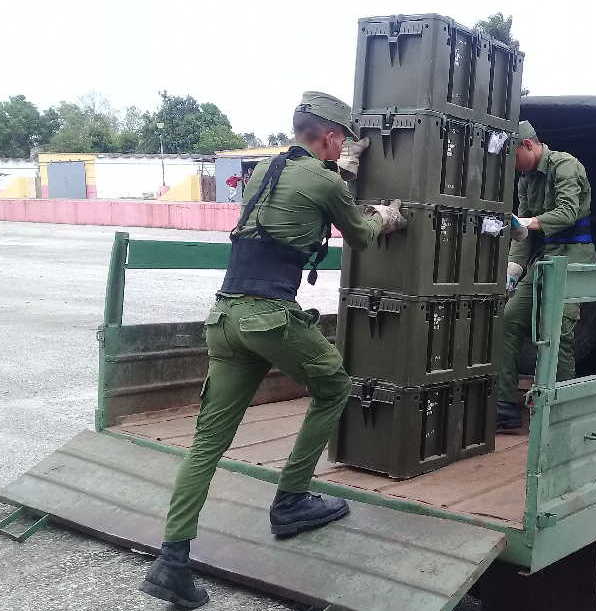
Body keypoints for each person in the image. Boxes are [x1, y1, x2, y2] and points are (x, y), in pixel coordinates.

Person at [139, 91, 406, 608]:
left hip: (224, 317)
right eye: (342, 142)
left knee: (207, 442)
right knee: (334, 387)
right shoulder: (326, 179)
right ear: (330, 138)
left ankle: (172, 560)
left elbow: (296, 196)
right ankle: (290, 500)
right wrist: (388, 217)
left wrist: (343, 171)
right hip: (268, 316)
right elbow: (360, 233)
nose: (343, 151)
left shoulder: (265, 169)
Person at [496, 120, 596, 432]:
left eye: (513, 157)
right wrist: (512, 271)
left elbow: (567, 212)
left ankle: (561, 409)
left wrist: (527, 222)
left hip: (573, 258)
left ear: (528, 146)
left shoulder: (566, 166)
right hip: (544, 256)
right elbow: (520, 231)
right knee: (508, 319)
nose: (512, 167)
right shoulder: (525, 179)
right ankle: (504, 407)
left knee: (556, 331)